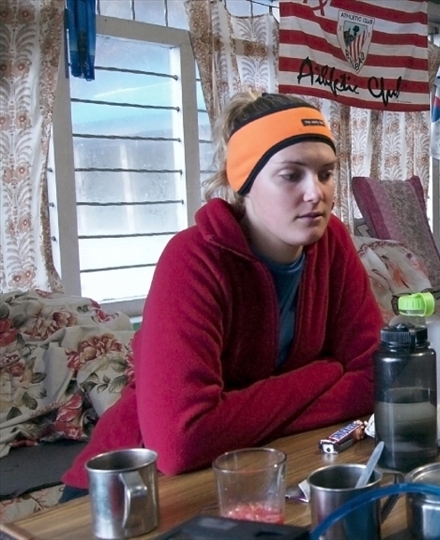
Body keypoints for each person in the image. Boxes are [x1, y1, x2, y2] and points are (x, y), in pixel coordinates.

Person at [60, 92, 383, 498]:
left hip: (257, 467)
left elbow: (378, 377)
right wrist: (325, 372)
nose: (315, 192)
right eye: (291, 175)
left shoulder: (331, 241)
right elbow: (181, 442)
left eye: (325, 173)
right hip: (129, 493)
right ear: (242, 181)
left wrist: (234, 419)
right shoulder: (194, 259)